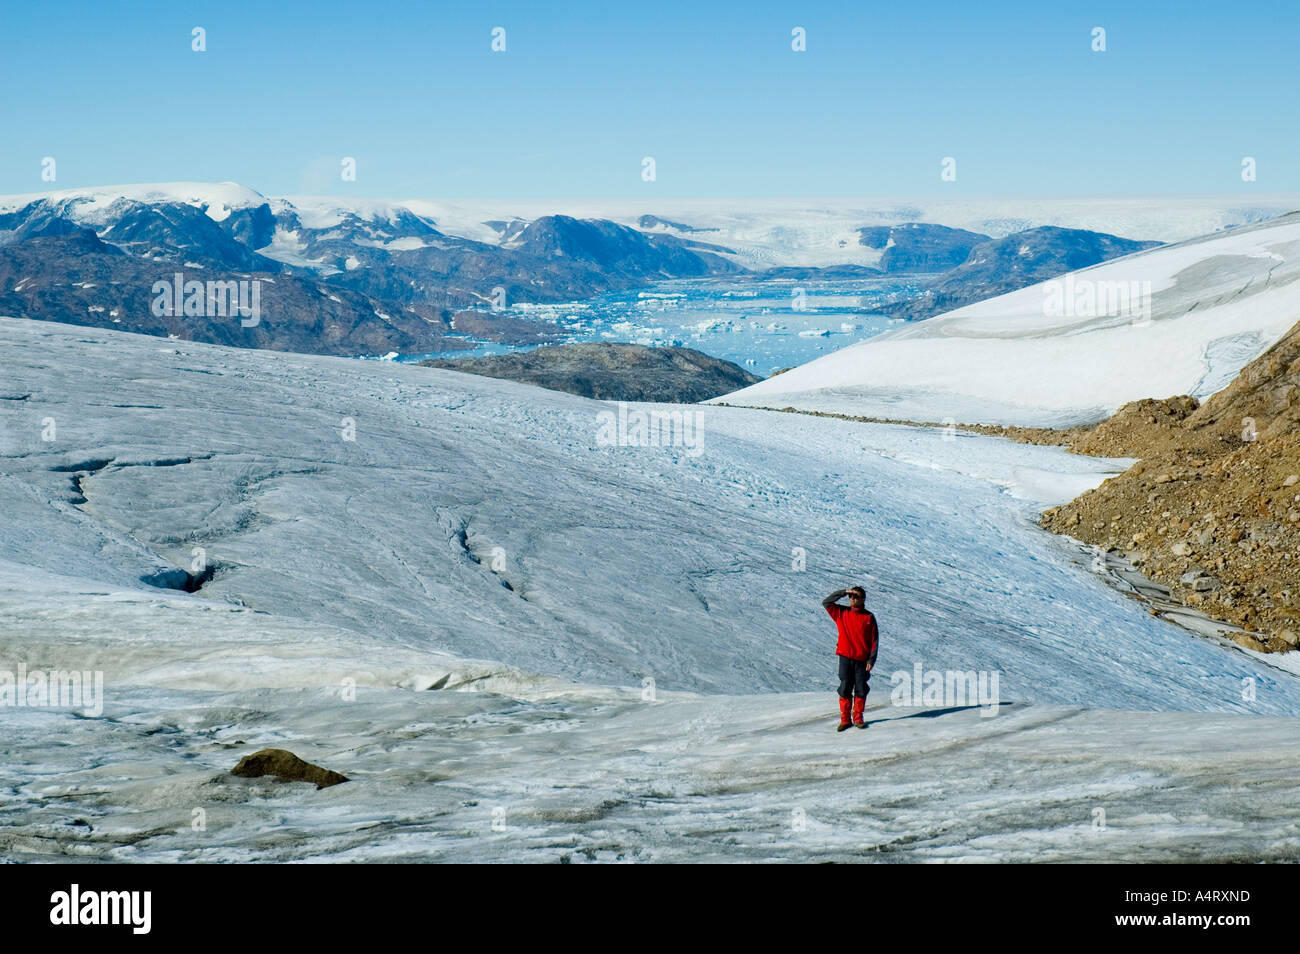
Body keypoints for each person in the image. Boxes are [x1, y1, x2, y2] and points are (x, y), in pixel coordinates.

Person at [822, 586, 878, 730]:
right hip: (845, 657)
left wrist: (871, 660)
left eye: (856, 596)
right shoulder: (841, 612)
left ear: (863, 599)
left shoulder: (869, 617)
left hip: (861, 660)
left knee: (860, 688)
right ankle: (845, 720)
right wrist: (844, 592)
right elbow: (827, 602)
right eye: (851, 596)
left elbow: (874, 641)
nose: (853, 599)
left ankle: (858, 718)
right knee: (845, 687)